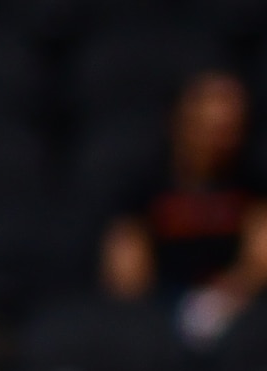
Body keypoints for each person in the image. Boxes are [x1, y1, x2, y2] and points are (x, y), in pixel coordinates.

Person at [109, 74, 267, 322]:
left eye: (230, 129)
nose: (221, 140)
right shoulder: (145, 184)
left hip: (234, 306)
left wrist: (225, 296)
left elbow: (259, 259)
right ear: (183, 122)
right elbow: (126, 271)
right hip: (161, 306)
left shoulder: (252, 183)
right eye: (211, 128)